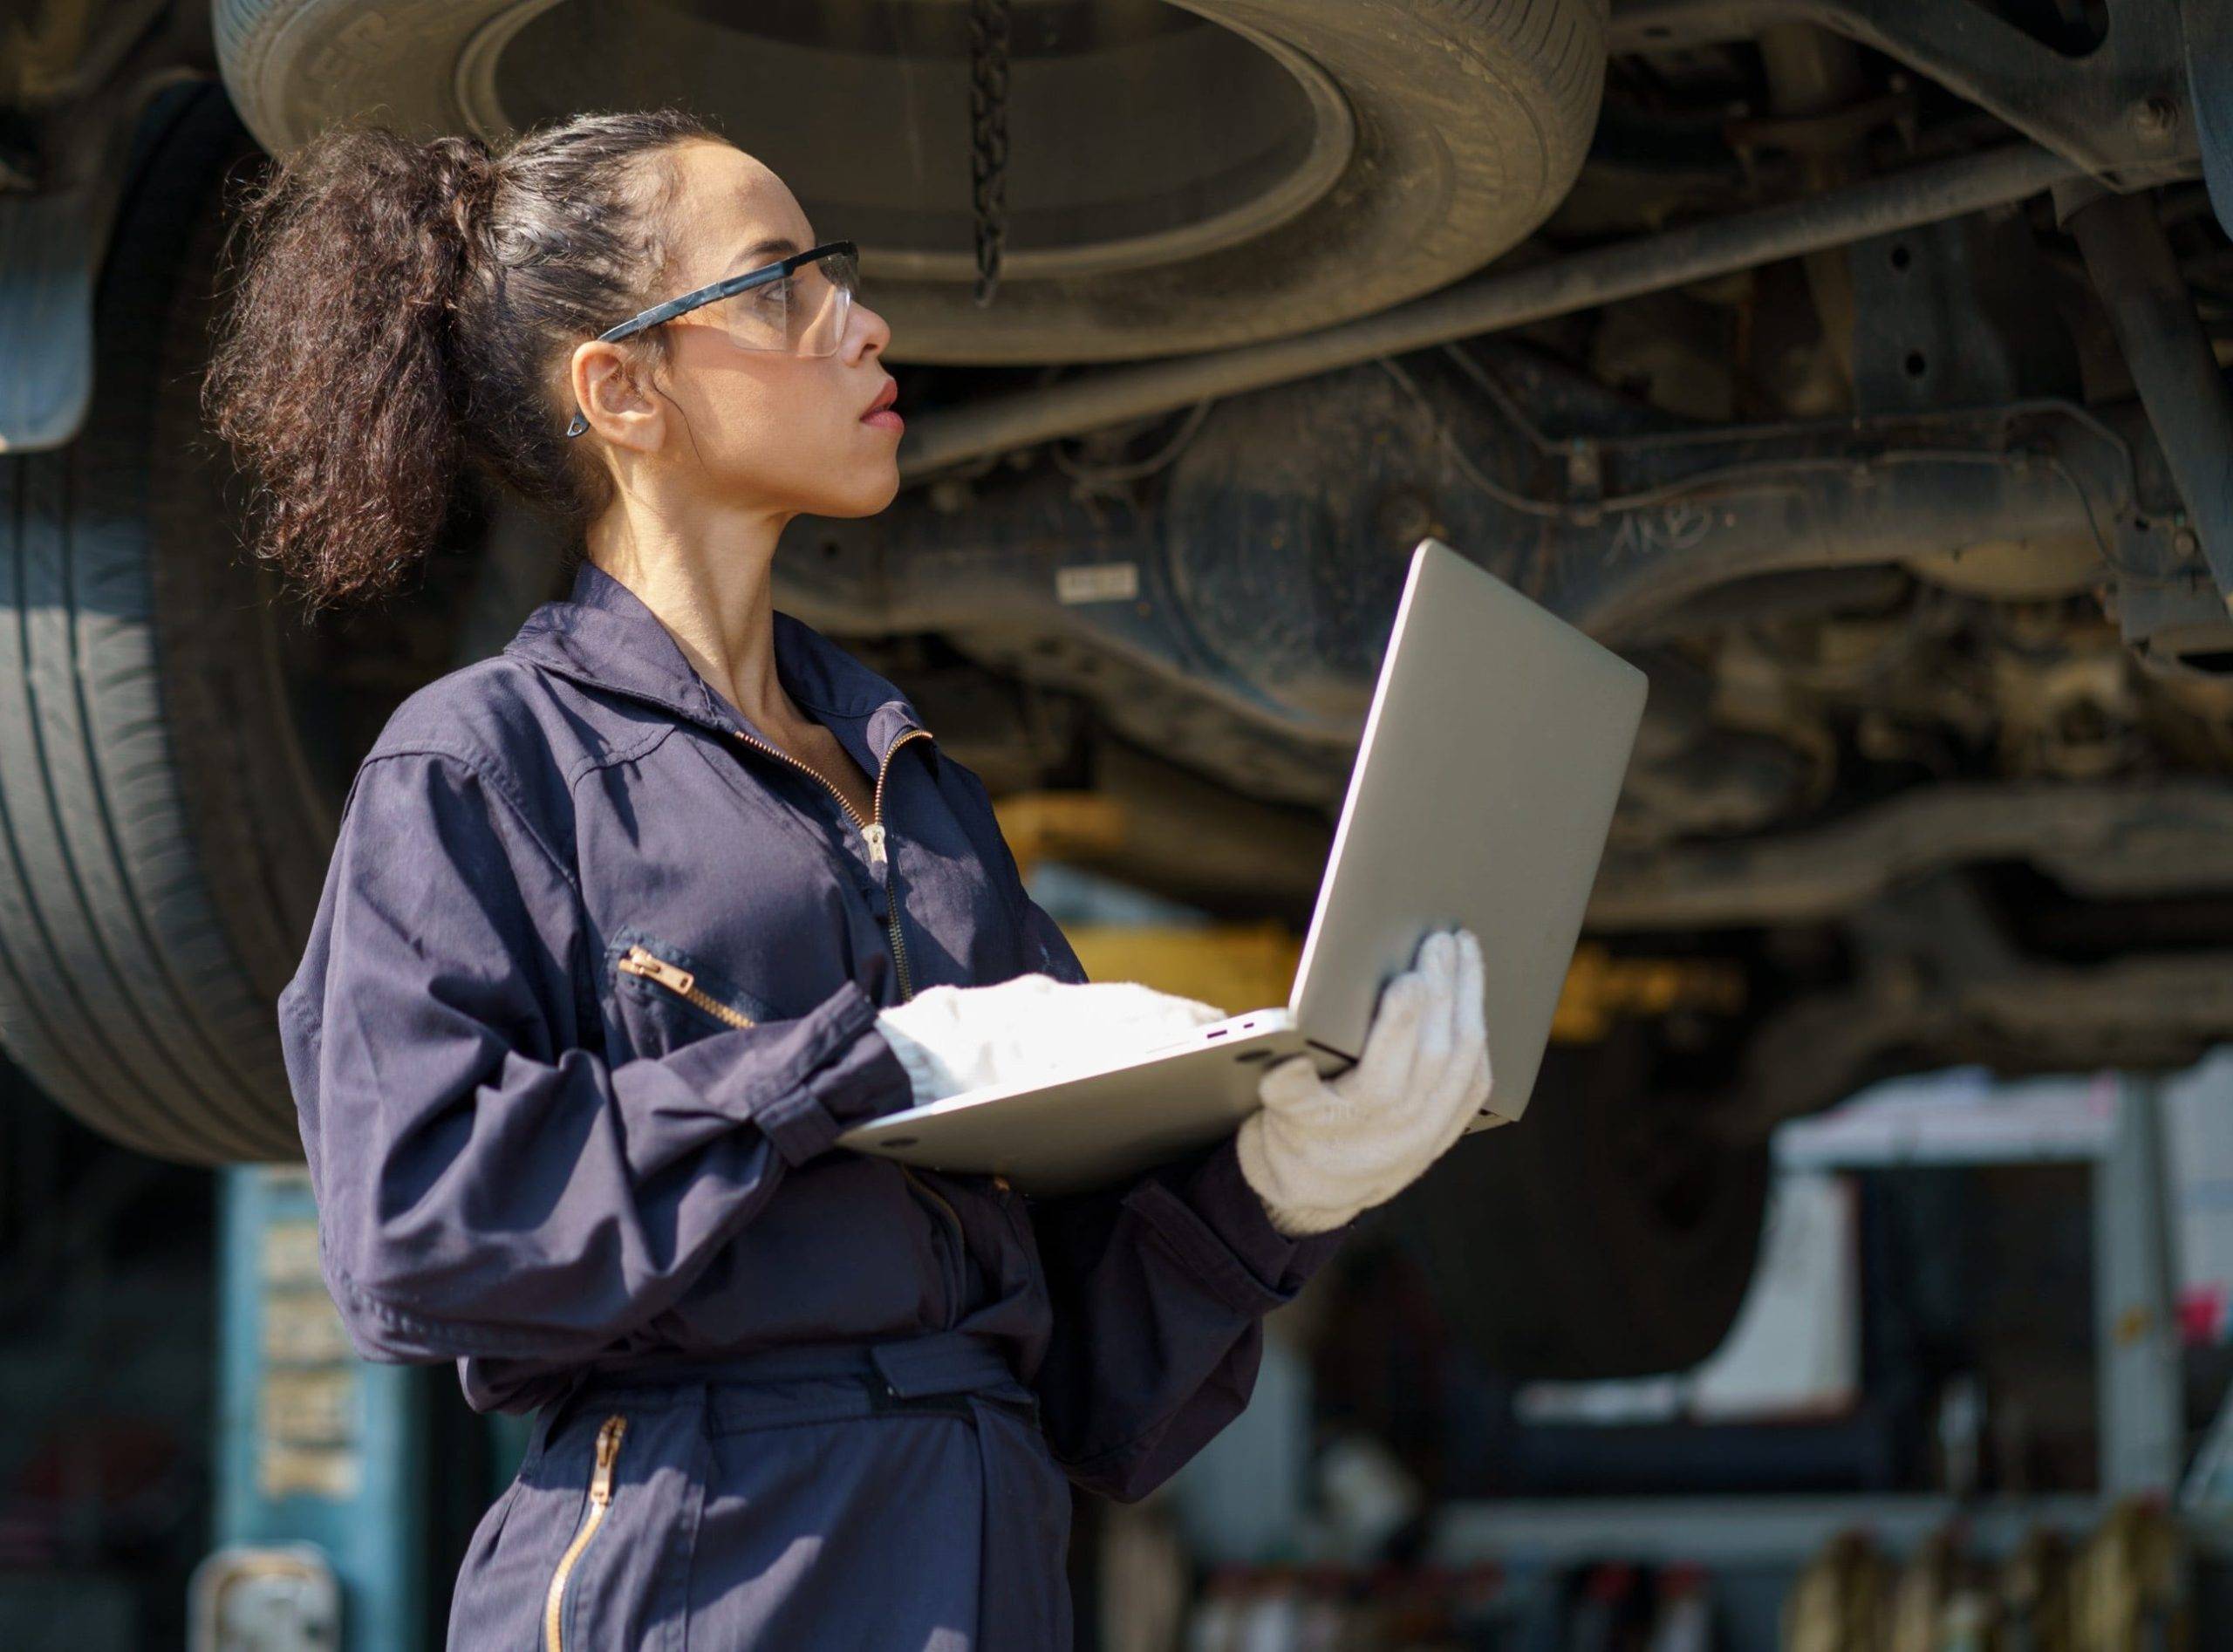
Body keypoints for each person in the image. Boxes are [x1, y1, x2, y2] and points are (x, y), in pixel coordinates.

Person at [205, 106, 1494, 1649]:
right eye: (776, 288)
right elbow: (415, 1232)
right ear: (624, 388)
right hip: (708, 1576)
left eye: (839, 280)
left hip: (990, 1559)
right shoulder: (482, 770)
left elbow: (1090, 1384)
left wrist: (1279, 1189)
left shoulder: (922, 787)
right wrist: (858, 1063)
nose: (861, 322)